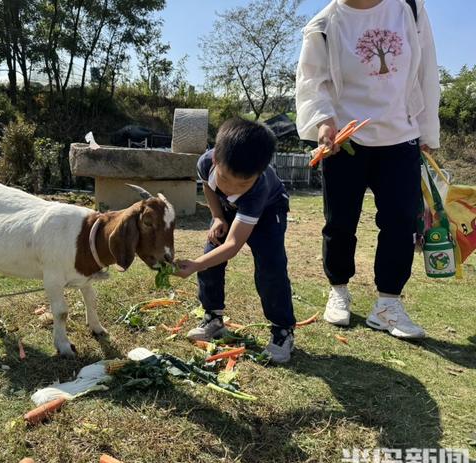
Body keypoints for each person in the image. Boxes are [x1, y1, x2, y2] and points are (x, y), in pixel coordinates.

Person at [295, 0, 440, 338]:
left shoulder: (409, 7)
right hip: (346, 140)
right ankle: (339, 291)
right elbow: (312, 82)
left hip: (401, 135)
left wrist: (427, 130)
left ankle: (388, 304)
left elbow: (427, 70)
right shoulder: (324, 25)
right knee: (340, 221)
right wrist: (323, 122)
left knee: (400, 222)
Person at [173, 118, 297, 363]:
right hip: (229, 210)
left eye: (243, 183)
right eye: (227, 179)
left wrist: (196, 264)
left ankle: (283, 330)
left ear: (259, 174)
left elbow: (233, 246)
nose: (231, 188)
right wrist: (218, 216)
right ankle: (213, 318)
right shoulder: (205, 162)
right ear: (216, 161)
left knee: (270, 266)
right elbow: (209, 187)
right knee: (211, 251)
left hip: (268, 211)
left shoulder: (258, 188)